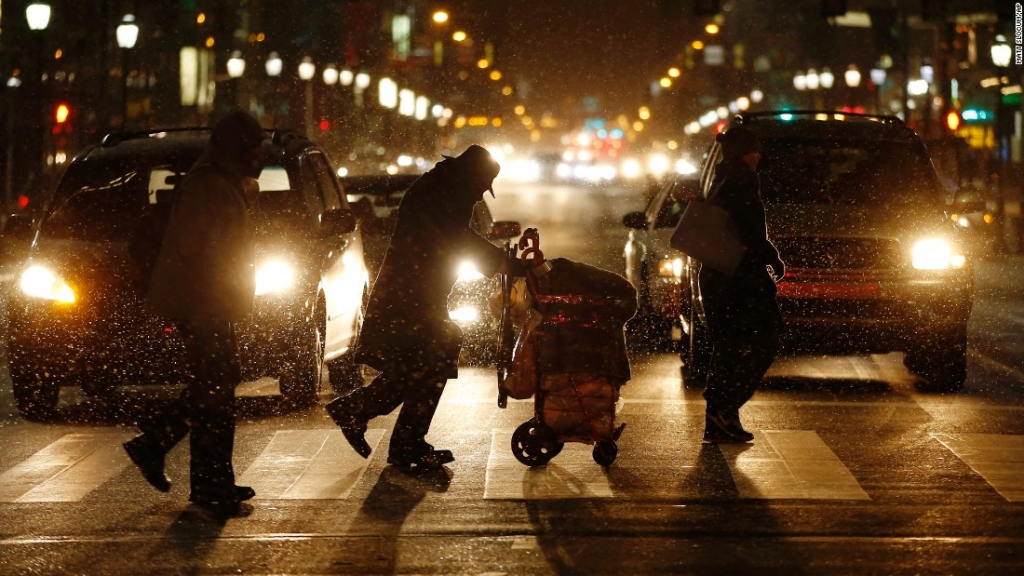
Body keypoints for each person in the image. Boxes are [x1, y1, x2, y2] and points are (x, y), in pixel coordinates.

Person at [326, 145, 511, 471]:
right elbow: (454, 239)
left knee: (425, 364)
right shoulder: (442, 195)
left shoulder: (444, 189)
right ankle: (382, 426)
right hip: (410, 298)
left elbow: (454, 239)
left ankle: (383, 427)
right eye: (483, 187)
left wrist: (498, 260)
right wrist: (501, 262)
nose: (482, 195)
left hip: (417, 296)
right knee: (433, 358)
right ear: (472, 177)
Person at [122, 111, 265, 515]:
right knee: (215, 395)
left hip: (211, 303)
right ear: (239, 148)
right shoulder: (209, 188)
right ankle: (208, 486)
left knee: (215, 387)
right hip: (205, 304)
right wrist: (215, 301)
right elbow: (197, 251)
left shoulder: (219, 184)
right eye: (253, 147)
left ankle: (166, 450)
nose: (258, 155)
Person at [699, 126, 785, 443]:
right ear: (741, 153)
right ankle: (724, 409)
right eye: (753, 149)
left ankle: (720, 414)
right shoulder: (740, 183)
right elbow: (749, 234)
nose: (758, 155)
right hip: (737, 279)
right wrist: (771, 257)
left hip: (722, 276)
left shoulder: (722, 181)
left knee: (729, 347)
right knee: (764, 341)